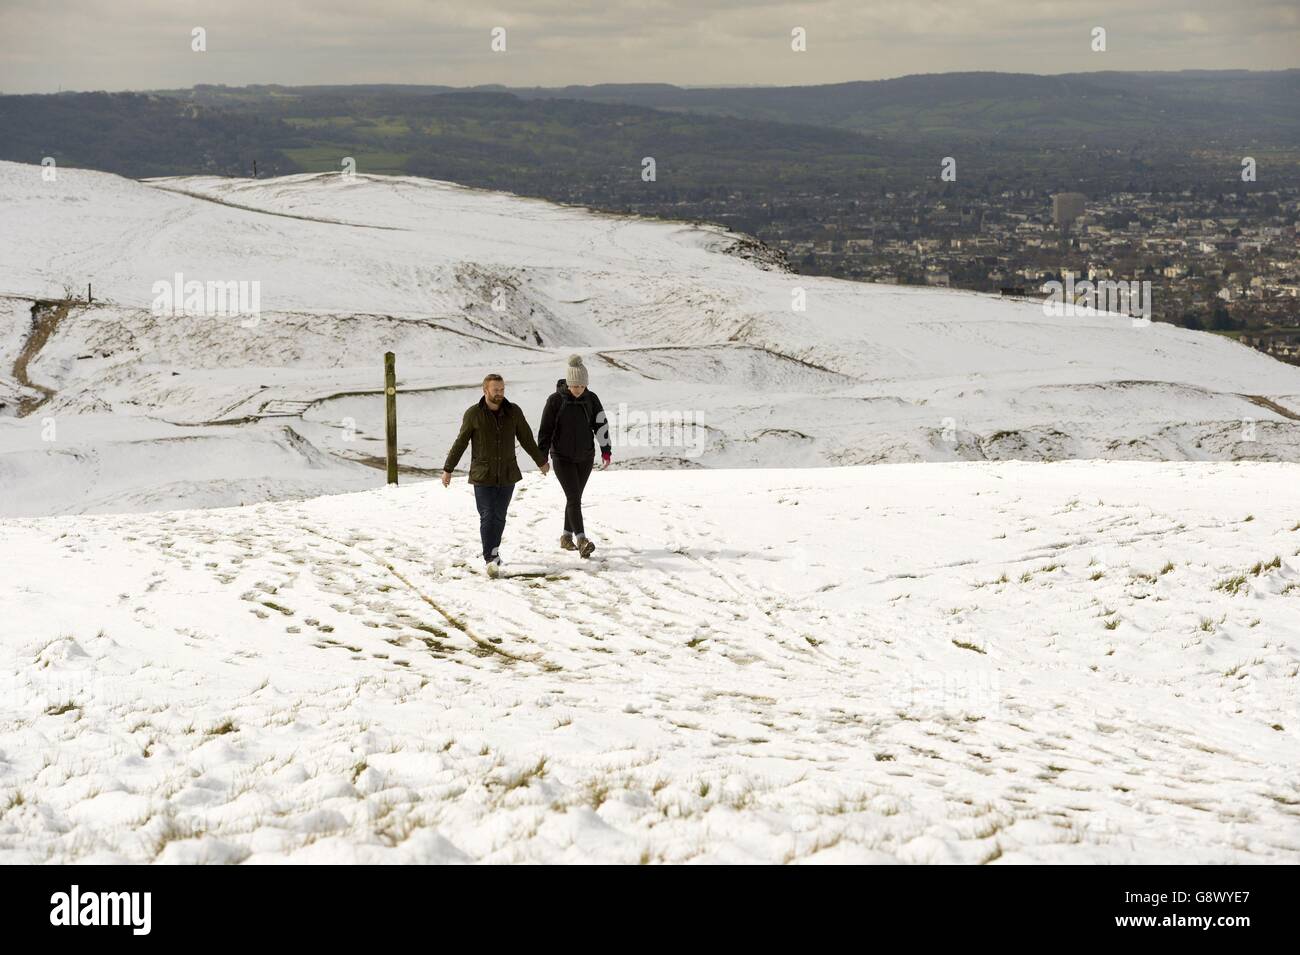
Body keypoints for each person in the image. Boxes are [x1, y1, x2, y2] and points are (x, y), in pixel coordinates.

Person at [442, 373, 549, 577]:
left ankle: (494, 551)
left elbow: (526, 438)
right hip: (482, 475)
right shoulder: (473, 414)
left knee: (499, 516)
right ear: (485, 390)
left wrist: (541, 461)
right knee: (487, 515)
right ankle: (489, 558)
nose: (499, 393)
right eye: (495, 390)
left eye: (502, 389)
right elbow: (461, 442)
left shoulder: (513, 412)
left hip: (507, 474)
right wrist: (448, 469)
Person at [537, 355, 611, 558]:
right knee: (573, 497)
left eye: (581, 385)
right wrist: (542, 458)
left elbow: (601, 425)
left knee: (575, 497)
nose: (577, 389)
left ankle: (565, 536)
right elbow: (545, 430)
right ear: (568, 383)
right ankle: (582, 540)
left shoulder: (591, 398)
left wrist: (606, 450)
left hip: (586, 457)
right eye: (574, 385)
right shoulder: (555, 401)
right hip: (562, 457)